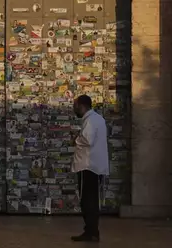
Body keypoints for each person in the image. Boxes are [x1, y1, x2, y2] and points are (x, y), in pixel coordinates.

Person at [71, 95, 109, 242]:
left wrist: (75, 139)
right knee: (92, 200)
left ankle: (91, 231)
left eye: (75, 105)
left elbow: (87, 139)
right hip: (95, 166)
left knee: (87, 201)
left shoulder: (91, 120)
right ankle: (92, 231)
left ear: (82, 106)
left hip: (88, 166)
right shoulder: (97, 119)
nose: (74, 109)